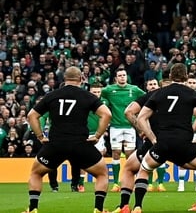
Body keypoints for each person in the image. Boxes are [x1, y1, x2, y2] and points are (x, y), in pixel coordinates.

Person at [132, 63, 196, 213]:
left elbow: (141, 118)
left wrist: (152, 138)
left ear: (170, 76)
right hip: (183, 143)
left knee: (143, 171)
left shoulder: (159, 93)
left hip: (162, 143)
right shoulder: (192, 94)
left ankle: (138, 206)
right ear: (186, 76)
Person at [25, 66, 112, 213]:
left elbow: (31, 116)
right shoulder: (87, 96)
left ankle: (33, 209)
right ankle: (98, 209)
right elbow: (106, 114)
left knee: (36, 173)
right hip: (80, 144)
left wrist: (40, 136)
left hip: (56, 144)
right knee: (102, 174)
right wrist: (97, 136)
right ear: (81, 79)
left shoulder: (52, 95)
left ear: (64, 79)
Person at [111, 78, 166, 213]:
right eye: (151, 84)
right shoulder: (187, 94)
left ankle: (131, 206)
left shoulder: (151, 96)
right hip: (180, 141)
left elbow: (128, 112)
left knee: (131, 168)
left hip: (156, 141)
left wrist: (142, 131)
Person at [102, 67, 146, 192]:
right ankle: (116, 182)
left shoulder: (134, 90)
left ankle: (131, 180)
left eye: (124, 75)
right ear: (116, 78)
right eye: (120, 75)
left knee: (130, 154)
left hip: (130, 127)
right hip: (115, 126)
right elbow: (100, 96)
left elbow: (147, 98)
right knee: (115, 152)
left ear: (127, 77)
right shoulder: (109, 90)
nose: (122, 77)